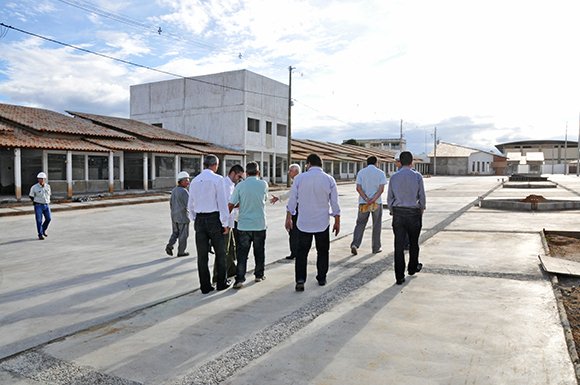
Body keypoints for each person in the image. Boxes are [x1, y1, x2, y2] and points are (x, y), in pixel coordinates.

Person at [286, 153, 340, 292]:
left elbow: (292, 200)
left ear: (308, 164)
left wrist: (288, 217)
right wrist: (337, 221)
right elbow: (334, 203)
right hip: (322, 222)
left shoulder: (300, 179)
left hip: (304, 223)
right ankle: (321, 277)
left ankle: (300, 280)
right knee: (323, 251)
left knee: (301, 253)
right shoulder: (329, 179)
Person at [188, 154, 232, 294]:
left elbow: (191, 205)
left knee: (202, 256)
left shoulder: (194, 181)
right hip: (214, 219)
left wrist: (195, 219)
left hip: (200, 220)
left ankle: (205, 286)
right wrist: (225, 223)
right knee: (220, 253)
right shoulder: (218, 180)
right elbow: (222, 203)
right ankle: (221, 283)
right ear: (215, 165)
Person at [387, 151, 426, 285]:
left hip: (398, 213)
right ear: (411, 162)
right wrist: (421, 209)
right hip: (413, 212)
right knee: (414, 243)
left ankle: (399, 276)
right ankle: (412, 268)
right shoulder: (417, 176)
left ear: (400, 161)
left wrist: (393, 211)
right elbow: (422, 196)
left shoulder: (393, 177)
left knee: (398, 245)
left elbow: (390, 197)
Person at [229, 162, 268, 289]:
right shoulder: (263, 184)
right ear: (258, 172)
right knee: (259, 251)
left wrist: (225, 220)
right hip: (259, 224)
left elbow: (231, 204)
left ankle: (239, 279)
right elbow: (264, 199)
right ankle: (259, 275)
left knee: (242, 254)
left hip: (243, 225)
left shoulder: (240, 186)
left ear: (246, 172)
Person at [212, 164, 245, 283]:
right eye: (239, 176)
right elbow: (225, 205)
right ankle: (218, 276)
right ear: (233, 173)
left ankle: (231, 270)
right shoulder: (224, 184)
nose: (239, 179)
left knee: (231, 248)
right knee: (223, 250)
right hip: (224, 222)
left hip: (230, 221)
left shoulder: (232, 185)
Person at [350, 156, 387, 255]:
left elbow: (358, 188)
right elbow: (381, 189)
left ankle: (355, 244)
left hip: (363, 202)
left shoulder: (361, 172)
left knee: (360, 224)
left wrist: (366, 199)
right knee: (376, 225)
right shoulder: (380, 173)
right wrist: (373, 199)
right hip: (376, 203)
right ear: (376, 163)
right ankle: (376, 247)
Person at [270, 163, 301, 260]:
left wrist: (289, 215)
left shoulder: (298, 180)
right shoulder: (299, 179)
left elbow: (292, 196)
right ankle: (297, 252)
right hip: (302, 209)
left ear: (296, 171)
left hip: (297, 208)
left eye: (290, 170)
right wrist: (279, 198)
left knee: (293, 231)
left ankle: (294, 252)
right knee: (298, 231)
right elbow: (290, 193)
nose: (288, 173)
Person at [165, 171, 191, 257]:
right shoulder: (184, 192)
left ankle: (170, 245)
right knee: (183, 235)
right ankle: (181, 251)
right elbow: (189, 205)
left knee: (175, 233)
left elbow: (171, 203)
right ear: (181, 181)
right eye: (186, 180)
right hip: (183, 217)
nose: (188, 182)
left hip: (174, 216)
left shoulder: (174, 190)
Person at [29, 172, 51, 240]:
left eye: (42, 179)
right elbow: (31, 196)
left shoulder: (48, 186)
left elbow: (49, 194)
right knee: (39, 220)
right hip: (38, 205)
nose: (40, 180)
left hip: (46, 205)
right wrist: (35, 201)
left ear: (45, 179)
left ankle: (43, 229)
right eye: (39, 179)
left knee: (48, 218)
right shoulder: (34, 187)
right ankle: (40, 234)